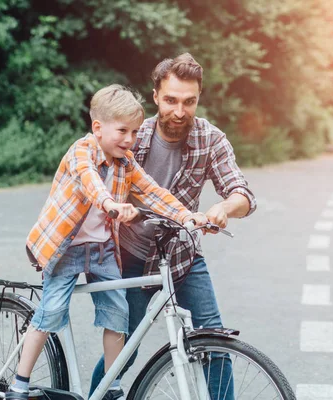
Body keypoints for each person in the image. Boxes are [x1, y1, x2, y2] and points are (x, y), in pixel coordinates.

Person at [6, 84, 206, 400]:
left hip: (102, 252)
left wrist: (186, 216)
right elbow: (91, 182)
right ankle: (19, 381)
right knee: (51, 311)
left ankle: (111, 383)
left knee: (118, 313)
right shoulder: (81, 151)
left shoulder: (126, 162)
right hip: (66, 250)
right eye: (122, 131)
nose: (129, 140)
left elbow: (153, 192)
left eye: (135, 132)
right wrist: (111, 204)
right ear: (98, 128)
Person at [89, 54, 257, 399]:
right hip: (131, 255)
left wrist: (225, 207)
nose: (179, 111)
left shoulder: (210, 139)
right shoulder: (134, 135)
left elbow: (243, 194)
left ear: (198, 98)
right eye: (170, 100)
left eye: (188, 102)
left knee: (215, 340)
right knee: (125, 350)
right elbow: (88, 175)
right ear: (155, 97)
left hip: (181, 254)